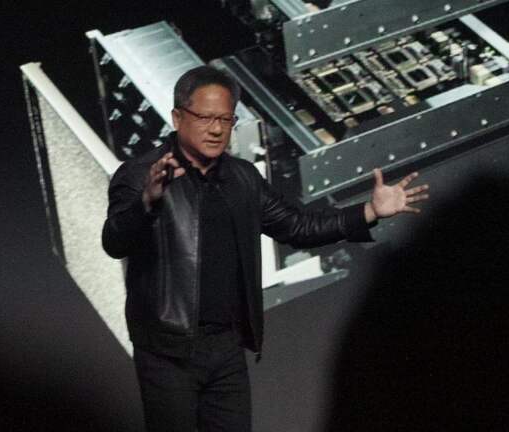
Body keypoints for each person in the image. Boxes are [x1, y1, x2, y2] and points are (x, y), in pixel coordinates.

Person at [102, 66, 429, 432]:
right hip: (168, 352)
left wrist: (369, 211)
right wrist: (145, 203)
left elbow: (299, 227)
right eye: (206, 118)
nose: (216, 129)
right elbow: (114, 242)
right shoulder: (139, 175)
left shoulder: (243, 177)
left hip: (227, 349)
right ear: (178, 118)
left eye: (225, 119)